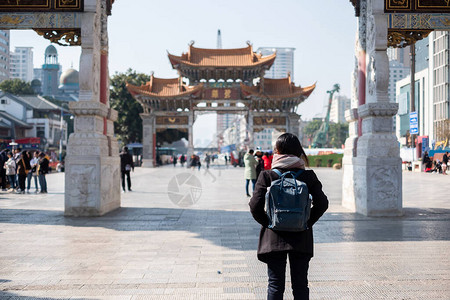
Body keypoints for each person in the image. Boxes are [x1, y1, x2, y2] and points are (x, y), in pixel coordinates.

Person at [249, 133, 329, 300]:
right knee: (300, 285)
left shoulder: (267, 175)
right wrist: (306, 222)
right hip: (301, 236)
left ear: (277, 151)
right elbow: (322, 204)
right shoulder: (308, 176)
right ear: (298, 151)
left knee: (275, 285)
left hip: (274, 237)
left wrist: (270, 223)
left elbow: (255, 207)